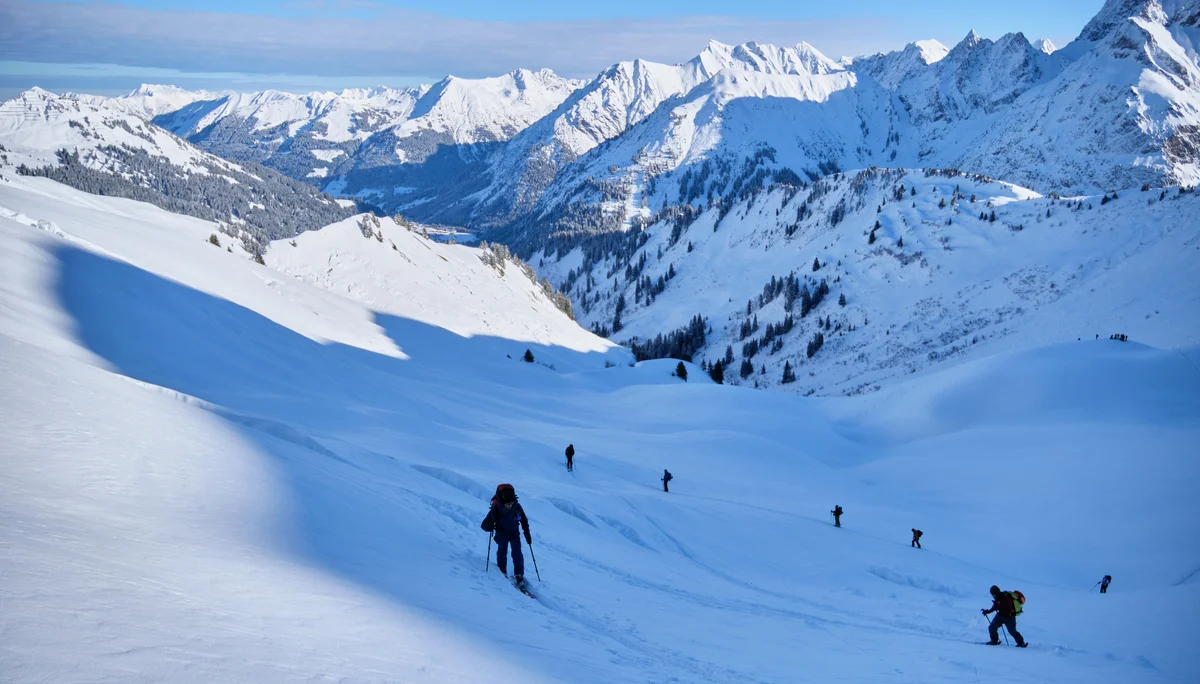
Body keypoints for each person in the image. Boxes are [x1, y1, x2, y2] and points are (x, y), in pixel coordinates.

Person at [480, 484, 532, 584]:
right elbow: (485, 524)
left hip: (512, 533)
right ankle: (502, 571)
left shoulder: (516, 506)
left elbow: (524, 521)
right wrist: (490, 525)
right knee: (504, 552)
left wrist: (527, 535)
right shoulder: (498, 507)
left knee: (515, 553)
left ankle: (517, 574)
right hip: (503, 533)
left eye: (510, 503)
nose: (509, 505)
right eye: (507, 504)